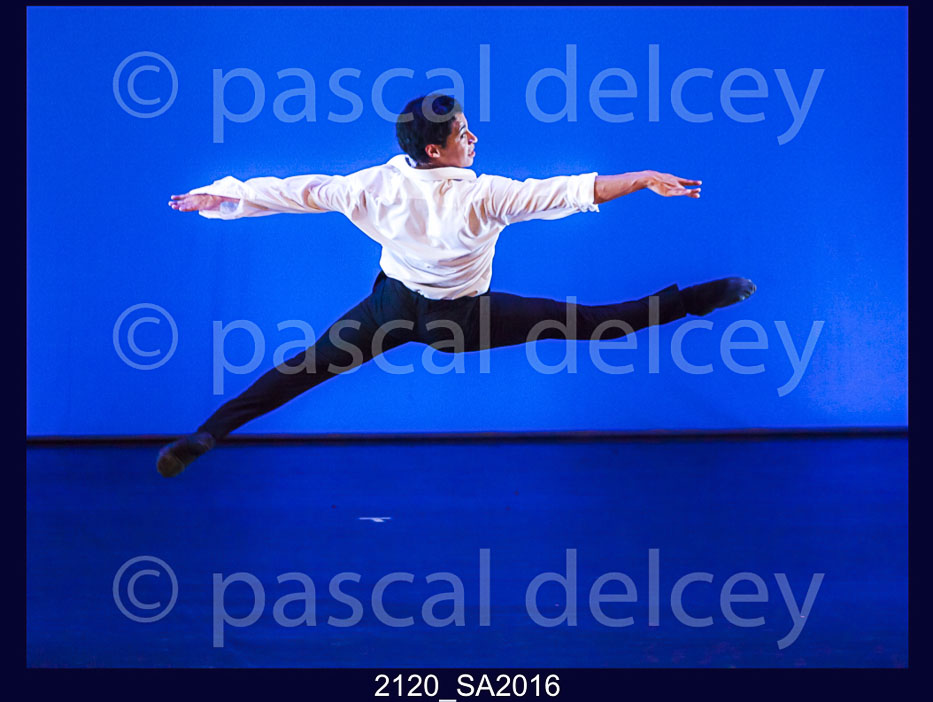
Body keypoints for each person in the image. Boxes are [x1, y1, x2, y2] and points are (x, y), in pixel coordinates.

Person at [157, 94, 756, 478]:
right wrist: (644, 178)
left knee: (302, 369)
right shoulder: (484, 195)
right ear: (434, 149)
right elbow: (573, 190)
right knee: (589, 323)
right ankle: (698, 300)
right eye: (463, 134)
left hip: (389, 308)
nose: (473, 140)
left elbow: (297, 191)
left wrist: (223, 196)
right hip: (459, 322)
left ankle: (210, 432)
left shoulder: (373, 186)